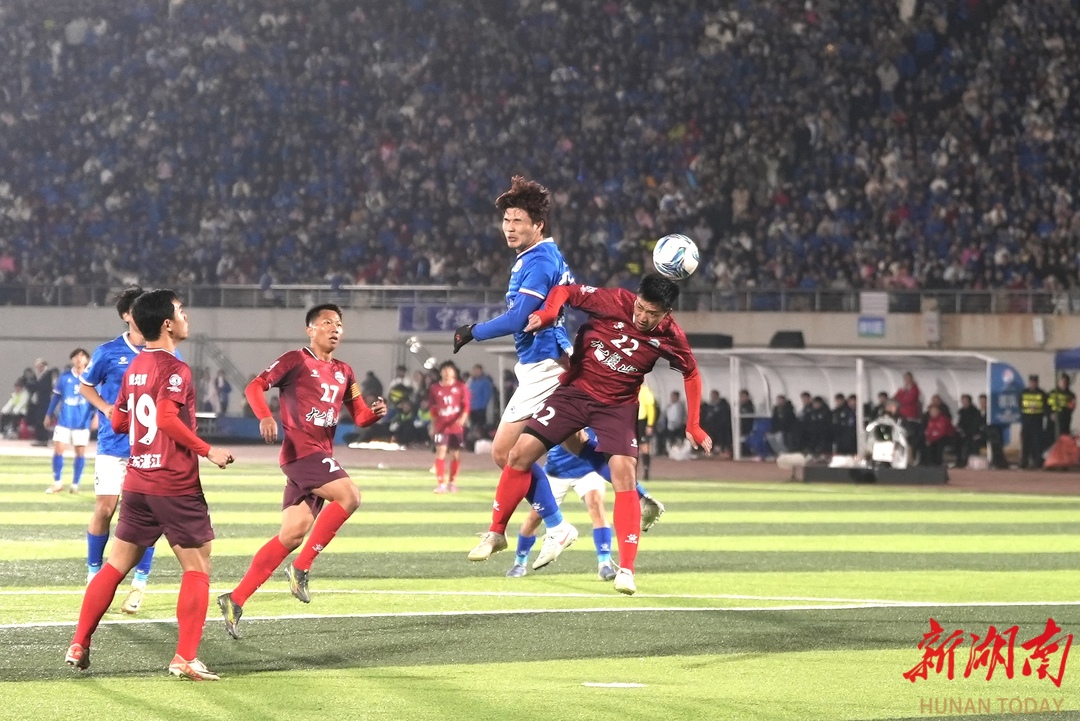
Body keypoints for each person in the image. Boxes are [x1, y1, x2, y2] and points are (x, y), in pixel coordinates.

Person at [488, 275, 712, 595]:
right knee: (518, 453)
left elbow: (691, 372)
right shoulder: (613, 301)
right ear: (635, 298)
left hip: (617, 408)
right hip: (575, 394)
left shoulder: (671, 335)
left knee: (624, 475)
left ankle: (627, 570)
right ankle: (496, 532)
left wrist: (694, 424)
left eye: (652, 313)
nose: (643, 317)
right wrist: (550, 312)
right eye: (640, 307)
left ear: (667, 313)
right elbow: (565, 290)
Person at [65, 289, 235, 681]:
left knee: (115, 565)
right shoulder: (176, 369)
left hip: (138, 480)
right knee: (198, 567)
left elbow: (118, 420)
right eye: (181, 311)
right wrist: (208, 450)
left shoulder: (136, 366)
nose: (186, 316)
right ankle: (185, 657)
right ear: (167, 324)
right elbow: (167, 419)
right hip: (174, 483)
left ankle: (79, 642)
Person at [216, 304, 386, 640]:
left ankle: (235, 599)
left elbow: (360, 415)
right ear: (311, 329)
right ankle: (301, 567)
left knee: (292, 535)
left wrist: (375, 414)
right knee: (350, 496)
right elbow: (254, 386)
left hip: (317, 456)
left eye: (339, 324)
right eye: (327, 322)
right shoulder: (295, 360)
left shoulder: (344, 371)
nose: (334, 328)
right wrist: (265, 416)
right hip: (301, 453)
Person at [451, 176, 584, 566]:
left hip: (545, 364)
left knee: (506, 452)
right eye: (506, 220)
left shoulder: (540, 260)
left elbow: (520, 317)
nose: (509, 227)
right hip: (546, 361)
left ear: (537, 224)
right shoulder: (538, 256)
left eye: (518, 221)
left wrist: (472, 331)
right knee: (579, 446)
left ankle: (541, 528)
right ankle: (634, 496)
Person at [78, 287, 158, 613]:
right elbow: (86, 385)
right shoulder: (108, 352)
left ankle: (139, 583)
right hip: (113, 444)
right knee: (105, 509)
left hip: (149, 447)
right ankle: (93, 574)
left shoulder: (162, 351)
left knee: (146, 515)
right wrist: (106, 408)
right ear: (126, 315)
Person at [506, 430, 616, 581]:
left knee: (596, 505)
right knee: (534, 517)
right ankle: (520, 562)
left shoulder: (596, 414)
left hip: (588, 469)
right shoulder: (561, 416)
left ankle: (604, 564)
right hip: (556, 471)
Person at [44, 348, 93, 494]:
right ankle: (57, 482)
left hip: (82, 421)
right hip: (64, 420)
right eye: (76, 356)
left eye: (82, 356)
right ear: (72, 359)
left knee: (80, 453)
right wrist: (48, 414)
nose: (79, 359)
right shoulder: (65, 377)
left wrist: (97, 416)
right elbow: (56, 397)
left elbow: (97, 399)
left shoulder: (91, 377)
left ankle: (75, 484)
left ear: (87, 360)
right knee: (58, 450)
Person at [428, 361, 470, 493]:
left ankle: (452, 482)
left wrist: (462, 419)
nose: (447, 372)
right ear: (440, 372)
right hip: (441, 426)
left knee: (455, 454)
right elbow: (433, 408)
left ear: (454, 372)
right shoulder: (435, 388)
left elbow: (466, 406)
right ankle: (441, 483)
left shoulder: (461, 387)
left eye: (449, 370)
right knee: (440, 452)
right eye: (444, 370)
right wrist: (433, 425)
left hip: (455, 426)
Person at [1019, 374, 1048, 469]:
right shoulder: (1023, 393)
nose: (1033, 384)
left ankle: (1037, 462)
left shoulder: (1042, 394)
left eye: (1034, 382)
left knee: (1037, 443)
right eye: (1031, 382)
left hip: (1037, 422)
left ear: (1037, 383)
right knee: (1025, 442)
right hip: (1026, 421)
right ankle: (1024, 461)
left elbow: (1046, 407)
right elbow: (1020, 405)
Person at [955, 394, 985, 468]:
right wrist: (960, 430)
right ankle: (959, 462)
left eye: (965, 401)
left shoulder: (975, 412)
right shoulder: (961, 412)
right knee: (957, 440)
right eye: (963, 401)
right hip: (963, 434)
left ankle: (967, 462)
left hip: (973, 434)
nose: (964, 403)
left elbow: (976, 425)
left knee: (970, 442)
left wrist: (968, 433)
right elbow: (959, 424)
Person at [466, 364, 494, 442]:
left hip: (481, 408)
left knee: (480, 426)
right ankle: (474, 440)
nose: (476, 372)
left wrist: (483, 405)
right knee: (473, 425)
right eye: (475, 371)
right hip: (472, 407)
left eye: (477, 371)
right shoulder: (471, 382)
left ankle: (481, 439)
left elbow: (487, 394)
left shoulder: (485, 381)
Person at [636, 383, 657, 478]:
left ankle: (646, 471)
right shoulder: (626, 389)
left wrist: (650, 424)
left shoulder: (645, 391)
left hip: (642, 421)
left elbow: (651, 408)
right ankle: (631, 472)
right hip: (629, 421)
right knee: (630, 448)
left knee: (644, 447)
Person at [1048, 374, 1076, 438]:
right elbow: (1047, 406)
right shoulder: (1051, 393)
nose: (1064, 383)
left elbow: (1070, 408)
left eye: (1065, 381)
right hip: (1052, 423)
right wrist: (1050, 414)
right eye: (1062, 381)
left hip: (1064, 422)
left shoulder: (1071, 395)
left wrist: (1059, 415)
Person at [662, 390, 687, 456]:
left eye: (674, 396)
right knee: (671, 440)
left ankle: (680, 453)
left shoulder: (680, 405)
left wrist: (680, 424)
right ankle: (671, 452)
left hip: (678, 426)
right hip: (670, 426)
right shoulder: (669, 406)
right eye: (672, 396)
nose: (672, 398)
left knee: (679, 440)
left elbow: (681, 416)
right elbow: (665, 415)